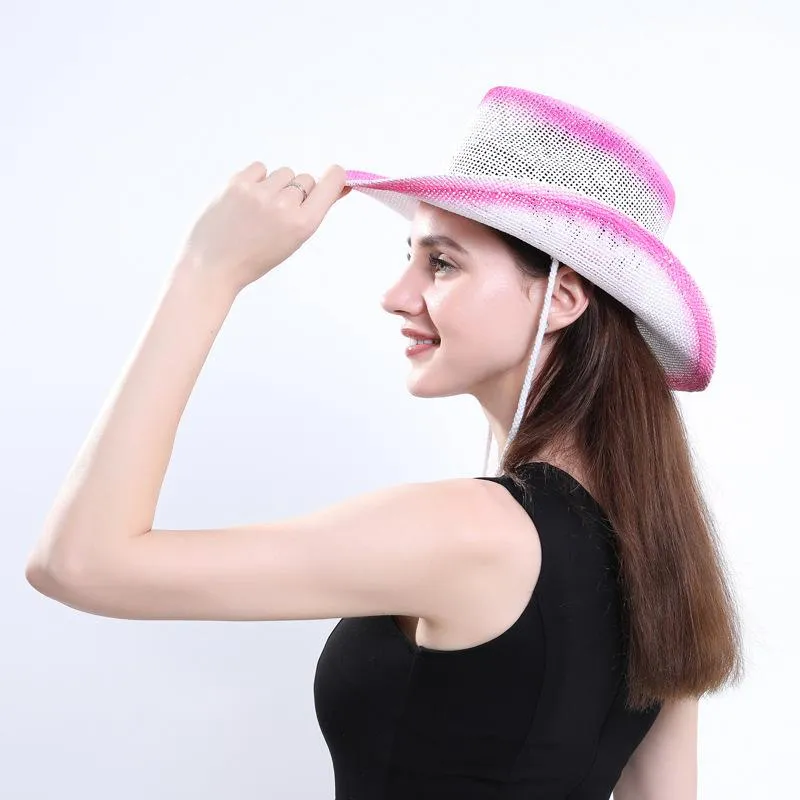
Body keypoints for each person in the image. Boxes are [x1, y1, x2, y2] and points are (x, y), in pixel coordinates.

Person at [26, 86, 744, 799]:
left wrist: (206, 273)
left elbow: (79, 563)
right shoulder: (661, 544)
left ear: (561, 296)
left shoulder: (471, 531)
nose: (396, 294)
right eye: (412, 255)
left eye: (441, 263)